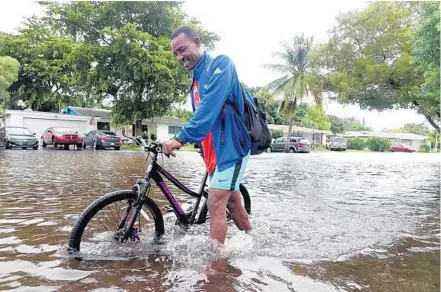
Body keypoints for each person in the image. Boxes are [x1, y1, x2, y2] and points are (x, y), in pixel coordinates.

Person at [162, 26, 252, 244]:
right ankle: (253, 239)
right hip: (213, 154)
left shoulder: (221, 65)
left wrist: (180, 137)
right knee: (232, 203)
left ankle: (215, 268)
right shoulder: (196, 78)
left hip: (231, 149)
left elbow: (208, 108)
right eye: (175, 53)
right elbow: (203, 119)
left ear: (197, 42)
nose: (179, 57)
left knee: (214, 203)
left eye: (182, 49)